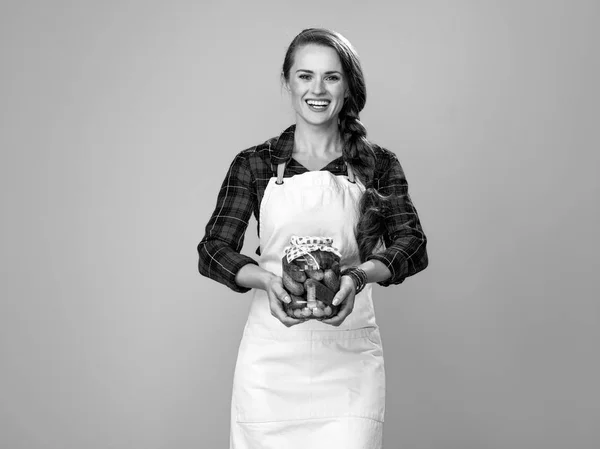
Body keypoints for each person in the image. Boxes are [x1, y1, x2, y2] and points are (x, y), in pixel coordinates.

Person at [197, 28, 428, 449]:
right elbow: (213, 250)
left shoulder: (378, 164)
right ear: (288, 82)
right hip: (271, 363)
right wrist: (266, 280)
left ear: (347, 86)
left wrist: (357, 277)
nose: (317, 89)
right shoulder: (256, 163)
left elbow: (413, 244)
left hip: (349, 359)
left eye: (331, 77)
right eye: (305, 76)